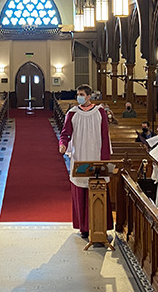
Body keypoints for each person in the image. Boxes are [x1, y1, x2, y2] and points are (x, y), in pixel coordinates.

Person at [58, 84, 113, 238]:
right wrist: (62, 145)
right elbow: (65, 133)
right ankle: (84, 227)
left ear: (89, 96)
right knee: (81, 193)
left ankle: (100, 226)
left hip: (96, 157)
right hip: (79, 157)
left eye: (81, 94)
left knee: (98, 190)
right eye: (78, 94)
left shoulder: (100, 112)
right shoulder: (72, 113)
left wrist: (104, 160)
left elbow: (104, 136)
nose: (79, 97)